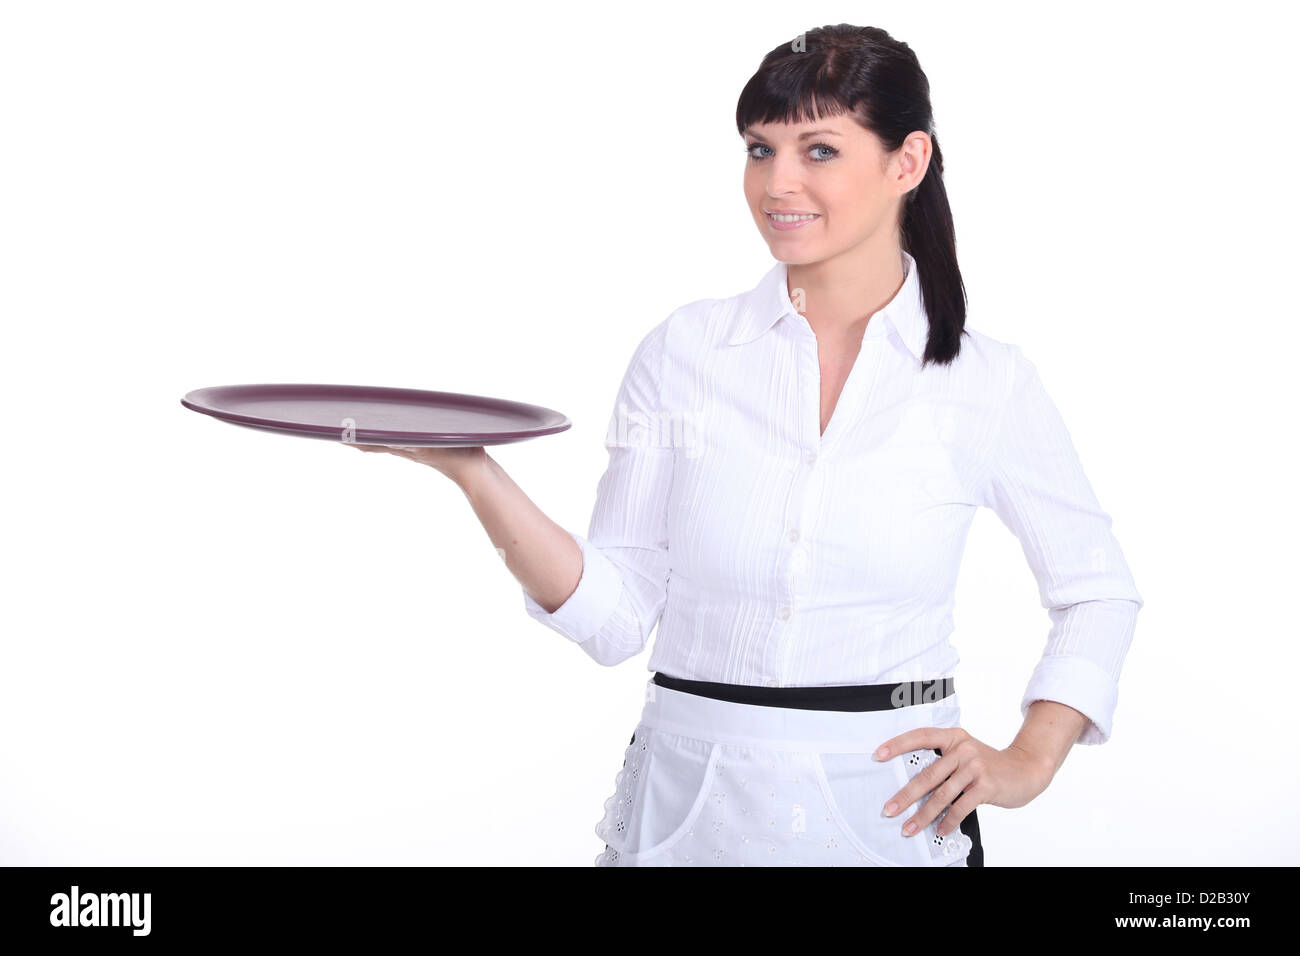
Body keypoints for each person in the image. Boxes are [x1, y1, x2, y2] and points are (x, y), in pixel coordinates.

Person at [348, 23, 1143, 867]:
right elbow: (617, 616)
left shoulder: (989, 384)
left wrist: (1029, 760)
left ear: (907, 162)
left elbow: (1098, 591)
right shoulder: (684, 353)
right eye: (760, 150)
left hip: (892, 817)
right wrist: (473, 472)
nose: (779, 182)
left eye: (820, 151)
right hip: (687, 807)